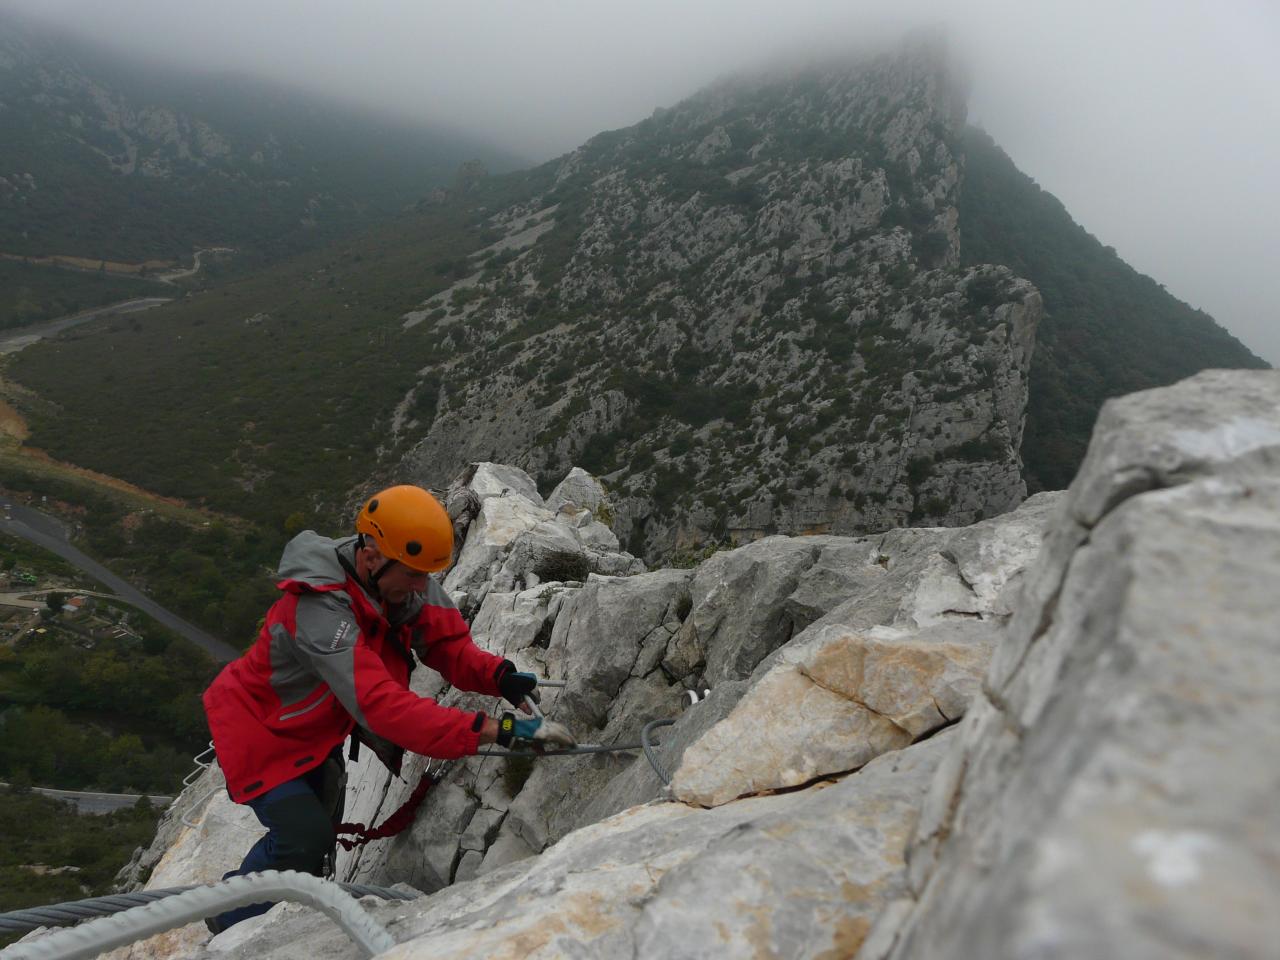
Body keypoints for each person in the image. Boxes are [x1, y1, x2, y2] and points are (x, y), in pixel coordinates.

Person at [201, 484, 574, 932]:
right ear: (372, 555)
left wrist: (499, 675)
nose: (422, 588)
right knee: (303, 838)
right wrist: (498, 728)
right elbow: (383, 708)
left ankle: (273, 902)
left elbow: (447, 644)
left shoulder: (402, 580)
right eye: (415, 576)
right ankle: (226, 921)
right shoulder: (320, 610)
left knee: (312, 846)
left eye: (425, 576)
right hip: (258, 731)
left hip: (314, 730)